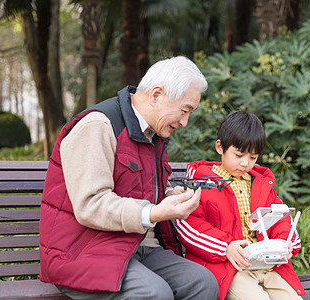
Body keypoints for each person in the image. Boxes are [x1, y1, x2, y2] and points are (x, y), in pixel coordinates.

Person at [39, 56, 219, 300]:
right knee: (154, 294)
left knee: (202, 283)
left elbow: (140, 187)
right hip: (83, 252)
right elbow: (90, 204)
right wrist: (154, 213)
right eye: (184, 110)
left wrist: (168, 195)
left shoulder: (152, 132)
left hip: (136, 246)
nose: (185, 122)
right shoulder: (98, 125)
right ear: (156, 95)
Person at [175, 111, 305, 300]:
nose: (245, 163)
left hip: (266, 265)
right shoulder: (202, 183)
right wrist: (226, 246)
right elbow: (190, 226)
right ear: (220, 147)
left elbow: (280, 217)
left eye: (253, 158)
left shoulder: (260, 184)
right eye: (239, 155)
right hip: (229, 268)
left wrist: (285, 242)